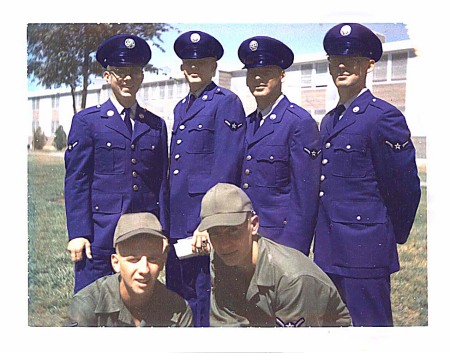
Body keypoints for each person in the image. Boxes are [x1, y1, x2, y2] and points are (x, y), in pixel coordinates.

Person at [314, 23, 421, 326]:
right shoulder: (330, 121)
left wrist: (385, 235)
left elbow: (405, 187)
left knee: (370, 331)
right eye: (336, 60)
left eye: (353, 59)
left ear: (369, 66)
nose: (342, 66)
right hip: (328, 250)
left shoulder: (383, 116)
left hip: (365, 251)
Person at [64, 34, 169, 293]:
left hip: (141, 234)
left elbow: (162, 183)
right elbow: (77, 180)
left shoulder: (155, 125)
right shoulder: (88, 122)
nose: (127, 78)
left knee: (138, 307)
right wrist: (78, 233)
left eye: (134, 72)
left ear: (142, 77)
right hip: (101, 236)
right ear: (108, 76)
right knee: (92, 303)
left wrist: (163, 230)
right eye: (120, 72)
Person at [166, 30, 246, 327]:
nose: (195, 68)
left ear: (214, 67)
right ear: (182, 68)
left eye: (203, 62)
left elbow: (227, 165)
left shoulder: (226, 102)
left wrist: (208, 222)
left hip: (200, 220)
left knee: (201, 294)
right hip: (177, 219)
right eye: (189, 63)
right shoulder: (181, 106)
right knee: (178, 292)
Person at [197, 183, 351, 327]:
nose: (224, 244)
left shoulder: (293, 279)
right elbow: (227, 330)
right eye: (215, 233)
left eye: (233, 231)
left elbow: (296, 345)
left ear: (254, 225)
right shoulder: (221, 259)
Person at [237, 36, 321, 255]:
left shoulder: (298, 122)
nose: (258, 78)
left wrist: (294, 251)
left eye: (266, 72)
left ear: (282, 75)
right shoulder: (247, 123)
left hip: (279, 239)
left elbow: (306, 196)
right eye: (252, 73)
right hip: (245, 236)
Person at [68, 212, 192, 327]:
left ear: (162, 262)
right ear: (116, 263)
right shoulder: (87, 306)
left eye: (152, 259)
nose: (144, 269)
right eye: (134, 260)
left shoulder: (178, 310)